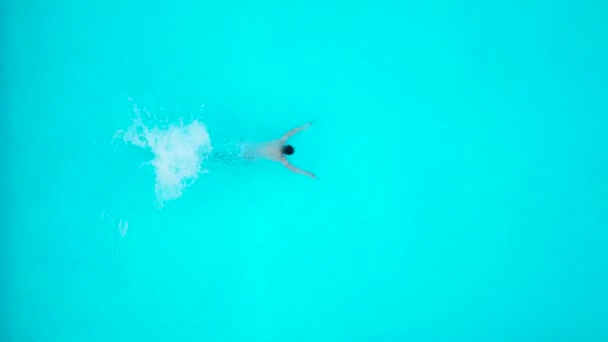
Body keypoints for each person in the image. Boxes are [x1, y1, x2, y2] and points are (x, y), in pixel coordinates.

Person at [242, 122, 316, 179]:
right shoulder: (281, 158)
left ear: (286, 145)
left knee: (242, 148)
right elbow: (294, 169)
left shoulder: (280, 142)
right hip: (252, 157)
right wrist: (308, 174)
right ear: (286, 154)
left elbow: (293, 131)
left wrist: (304, 126)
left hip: (249, 146)